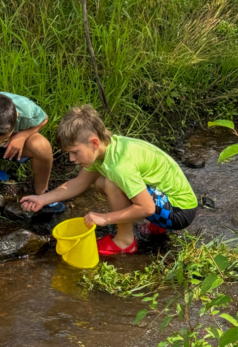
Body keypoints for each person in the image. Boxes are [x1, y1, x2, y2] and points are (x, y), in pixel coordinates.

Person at [20, 105, 198, 255]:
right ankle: (157, 227)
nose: (71, 159)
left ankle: (125, 241)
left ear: (94, 143)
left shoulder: (120, 166)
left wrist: (105, 218)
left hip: (179, 212)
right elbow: (78, 183)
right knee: (101, 183)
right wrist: (42, 199)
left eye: (74, 152)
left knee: (112, 182)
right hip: (168, 201)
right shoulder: (108, 150)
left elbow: (147, 207)